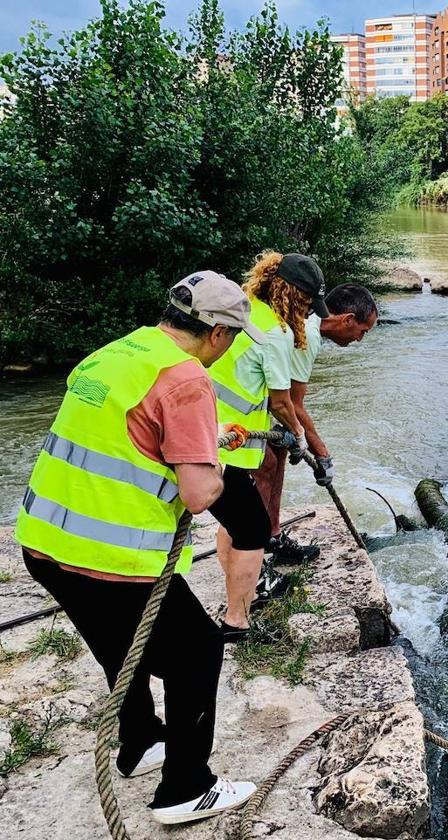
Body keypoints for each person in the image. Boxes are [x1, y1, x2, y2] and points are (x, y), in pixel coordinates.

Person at [15, 272, 263, 824]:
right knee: (198, 649)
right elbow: (200, 495)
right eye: (233, 339)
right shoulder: (188, 380)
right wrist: (212, 459)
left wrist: (195, 438)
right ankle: (186, 787)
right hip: (110, 557)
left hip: (43, 544)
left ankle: (140, 743)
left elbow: (125, 434)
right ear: (218, 335)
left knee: (117, 647)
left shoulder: (116, 353)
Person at [206, 252, 329, 639]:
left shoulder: (246, 309)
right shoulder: (274, 334)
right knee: (252, 528)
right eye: (307, 303)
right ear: (292, 295)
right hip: (231, 442)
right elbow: (280, 402)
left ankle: (245, 590)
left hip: (206, 427)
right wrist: (296, 436)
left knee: (234, 521)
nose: (309, 312)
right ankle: (237, 621)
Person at [253, 284, 379, 563]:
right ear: (347, 320)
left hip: (258, 402)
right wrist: (322, 454)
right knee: (265, 466)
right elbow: (293, 405)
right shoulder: (306, 334)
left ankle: (272, 537)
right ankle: (257, 553)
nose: (360, 339)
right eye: (362, 331)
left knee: (277, 454)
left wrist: (297, 437)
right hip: (240, 412)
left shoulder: (307, 323)